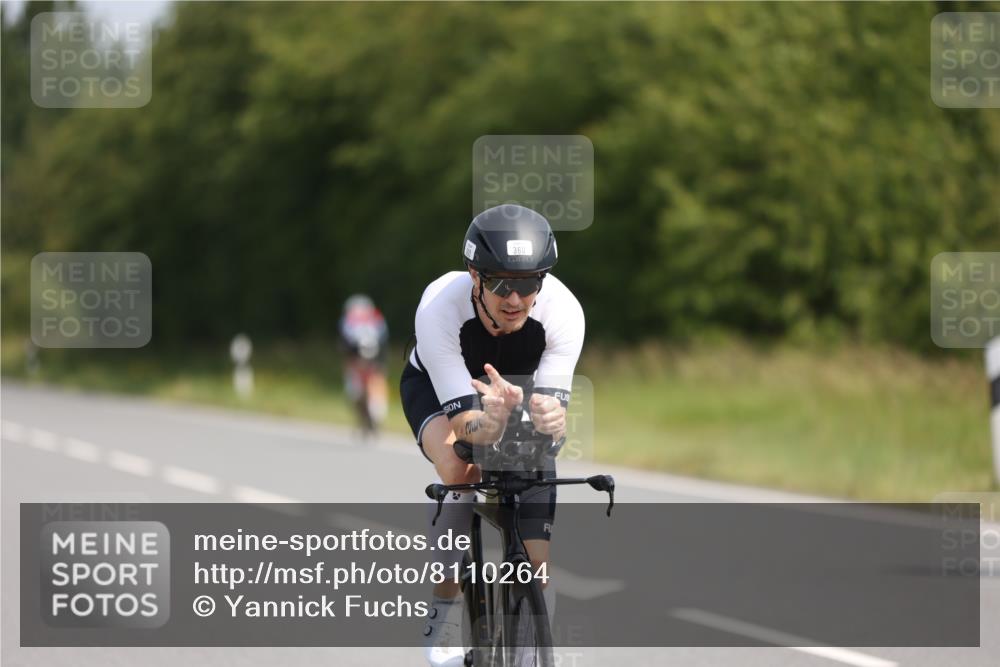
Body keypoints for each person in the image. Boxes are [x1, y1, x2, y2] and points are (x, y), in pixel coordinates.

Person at [400, 204, 585, 667]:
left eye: (528, 284)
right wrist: (492, 419)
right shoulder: (440, 309)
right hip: (442, 388)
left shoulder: (564, 312)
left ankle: (533, 647)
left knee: (537, 560)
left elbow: (552, 413)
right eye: (501, 283)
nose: (515, 299)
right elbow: (468, 430)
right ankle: (444, 609)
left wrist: (551, 420)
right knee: (460, 469)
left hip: (514, 392)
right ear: (474, 275)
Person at [339, 294, 390, 436]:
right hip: (368, 359)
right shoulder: (378, 320)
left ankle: (368, 419)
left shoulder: (348, 322)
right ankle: (367, 420)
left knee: (359, 391)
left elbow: (345, 349)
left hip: (365, 360)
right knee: (359, 392)